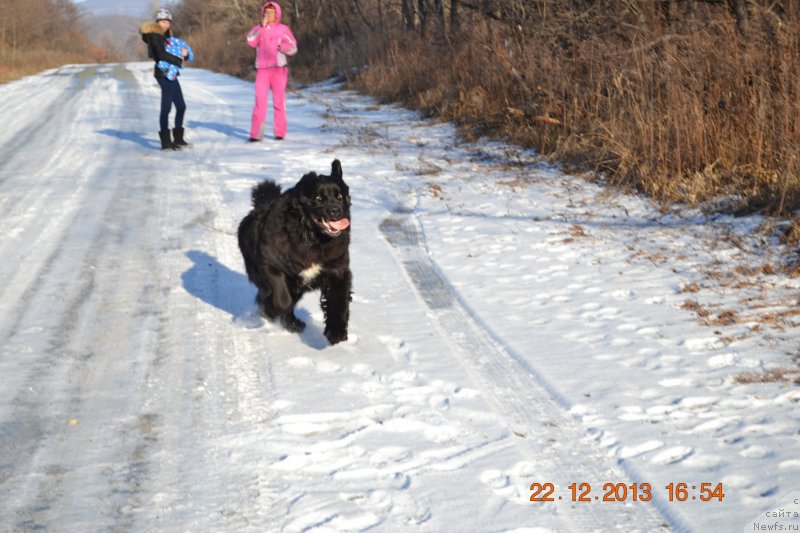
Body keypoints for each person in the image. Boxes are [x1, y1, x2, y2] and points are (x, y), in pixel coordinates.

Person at [246, 2, 297, 142]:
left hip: (279, 69)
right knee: (259, 102)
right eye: (266, 12)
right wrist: (261, 28)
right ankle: (256, 135)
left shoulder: (283, 29)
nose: (268, 14)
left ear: (277, 14)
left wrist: (280, 46)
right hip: (262, 70)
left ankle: (279, 133)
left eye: (271, 12)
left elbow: (293, 47)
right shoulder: (257, 29)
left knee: (279, 102)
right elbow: (250, 41)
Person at [140, 8, 190, 150]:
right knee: (166, 107)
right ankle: (166, 142)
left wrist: (185, 54)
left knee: (181, 106)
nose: (165, 24)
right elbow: (161, 55)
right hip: (163, 74)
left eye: (168, 22)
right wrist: (180, 59)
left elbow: (178, 50)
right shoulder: (154, 36)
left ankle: (178, 139)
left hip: (172, 73)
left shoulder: (167, 36)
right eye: (162, 21)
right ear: (157, 22)